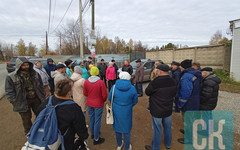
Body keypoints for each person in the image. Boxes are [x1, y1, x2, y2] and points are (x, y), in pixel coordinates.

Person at [37, 79, 89, 150]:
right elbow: (81, 127)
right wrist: (83, 137)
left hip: (48, 137)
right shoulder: (73, 108)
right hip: (65, 140)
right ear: (68, 93)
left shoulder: (46, 103)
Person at [5, 57, 45, 134]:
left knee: (41, 115)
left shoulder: (35, 73)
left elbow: (41, 85)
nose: (26, 67)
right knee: (26, 119)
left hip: (36, 98)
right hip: (22, 101)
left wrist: (42, 96)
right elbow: (9, 92)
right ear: (19, 65)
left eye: (27, 65)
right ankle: (29, 133)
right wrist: (15, 101)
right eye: (23, 65)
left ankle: (40, 129)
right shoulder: (11, 77)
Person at [145, 64, 177, 150]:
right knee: (167, 128)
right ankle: (168, 144)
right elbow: (174, 93)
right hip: (168, 109)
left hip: (157, 110)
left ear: (159, 71)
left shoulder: (155, 82)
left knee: (157, 130)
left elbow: (147, 92)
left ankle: (155, 147)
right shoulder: (173, 81)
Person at [108, 72, 138, 150]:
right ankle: (127, 147)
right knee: (127, 129)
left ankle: (119, 144)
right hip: (127, 110)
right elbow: (135, 100)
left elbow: (110, 98)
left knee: (117, 128)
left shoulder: (114, 87)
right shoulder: (132, 88)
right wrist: (129, 105)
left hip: (116, 109)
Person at [177, 59, 202, 144]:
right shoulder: (195, 73)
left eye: (181, 67)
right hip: (194, 101)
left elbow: (185, 92)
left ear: (183, 67)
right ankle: (188, 132)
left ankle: (189, 139)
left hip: (189, 103)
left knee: (188, 121)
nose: (180, 68)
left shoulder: (186, 76)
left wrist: (180, 104)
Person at [83, 67, 107, 145]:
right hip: (98, 103)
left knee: (91, 118)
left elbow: (85, 93)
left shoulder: (86, 82)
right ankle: (96, 139)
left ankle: (93, 134)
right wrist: (103, 100)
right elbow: (104, 95)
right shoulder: (101, 82)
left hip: (89, 103)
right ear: (97, 72)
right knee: (97, 120)